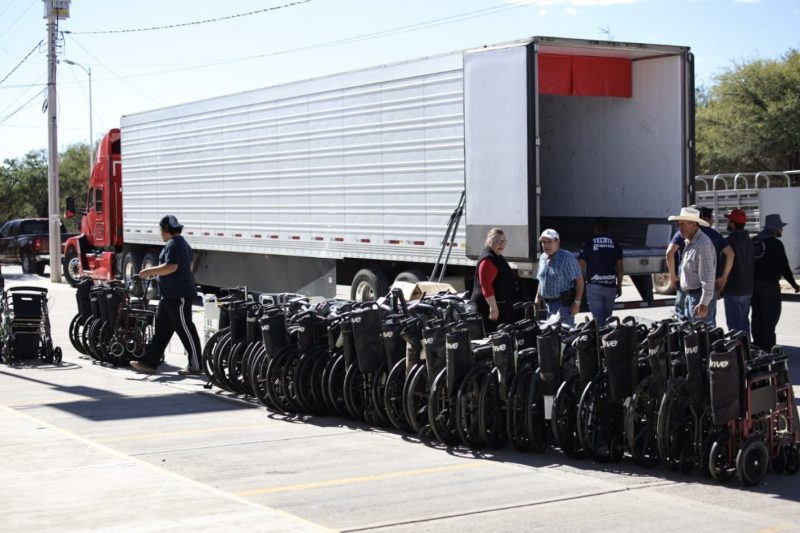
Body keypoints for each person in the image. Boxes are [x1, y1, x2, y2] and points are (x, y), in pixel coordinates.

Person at [130, 215, 203, 376]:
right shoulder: (181, 243)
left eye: (161, 230)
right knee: (162, 330)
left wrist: (149, 271)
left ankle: (196, 365)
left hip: (179, 295)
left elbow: (171, 267)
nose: (161, 233)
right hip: (169, 295)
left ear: (166, 230)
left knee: (185, 328)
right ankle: (150, 362)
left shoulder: (174, 244)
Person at [666, 206, 733, 325]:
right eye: (679, 224)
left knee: (701, 339)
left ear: (694, 225)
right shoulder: (690, 242)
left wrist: (704, 303)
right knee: (693, 337)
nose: (679, 228)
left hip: (698, 298)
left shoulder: (702, 245)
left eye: (683, 224)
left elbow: (707, 278)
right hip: (691, 296)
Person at [751, 214, 800, 350]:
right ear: (775, 229)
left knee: (757, 315)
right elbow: (783, 266)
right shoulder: (775, 244)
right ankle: (768, 346)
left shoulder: (754, 241)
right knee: (770, 316)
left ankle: (757, 344)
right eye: (780, 228)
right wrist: (794, 284)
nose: (781, 231)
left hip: (753, 285)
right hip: (769, 286)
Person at [577, 217, 623, 327]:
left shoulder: (589, 243)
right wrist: (619, 286)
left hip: (594, 287)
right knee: (608, 320)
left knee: (598, 321)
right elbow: (620, 269)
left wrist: (578, 285)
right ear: (608, 229)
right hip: (611, 286)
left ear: (595, 228)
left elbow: (580, 267)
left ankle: (600, 342)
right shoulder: (615, 244)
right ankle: (608, 340)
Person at [535, 228, 584, 327]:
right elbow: (542, 279)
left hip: (563, 306)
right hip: (547, 305)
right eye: (544, 242)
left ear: (558, 242)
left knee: (563, 338)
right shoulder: (543, 257)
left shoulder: (567, 258)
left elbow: (579, 280)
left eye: (549, 241)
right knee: (550, 338)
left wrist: (577, 302)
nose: (546, 245)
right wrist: (538, 296)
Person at [470, 228, 515, 334]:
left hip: (498, 304)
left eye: (503, 241)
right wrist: (493, 307)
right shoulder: (487, 260)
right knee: (491, 339)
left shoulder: (496, 255)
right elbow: (486, 286)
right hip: (488, 306)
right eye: (497, 241)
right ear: (489, 241)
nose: (501, 244)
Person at [721, 208, 754, 335]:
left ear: (733, 223)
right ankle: (746, 350)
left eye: (729, 221)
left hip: (732, 288)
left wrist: (720, 286)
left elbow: (723, 265)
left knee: (734, 326)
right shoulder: (750, 241)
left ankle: (738, 352)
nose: (727, 223)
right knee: (744, 322)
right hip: (747, 288)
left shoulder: (728, 242)